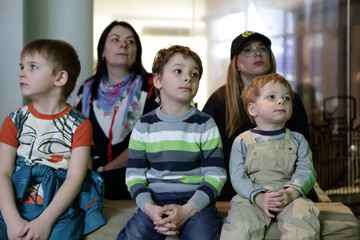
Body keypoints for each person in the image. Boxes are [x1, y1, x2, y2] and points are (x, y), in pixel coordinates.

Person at [117, 45, 227, 240]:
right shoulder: (144, 126)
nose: (188, 78)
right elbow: (134, 175)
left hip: (196, 200)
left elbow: (215, 175)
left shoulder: (205, 124)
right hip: (154, 199)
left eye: (195, 74)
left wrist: (189, 209)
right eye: (178, 71)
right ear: (157, 80)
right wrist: (149, 208)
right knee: (133, 236)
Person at [0, 39, 105, 240]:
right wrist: (12, 219)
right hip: (16, 198)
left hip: (58, 206)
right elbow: (3, 172)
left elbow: (75, 178)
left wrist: (45, 221)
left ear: (60, 78)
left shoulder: (80, 124)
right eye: (21, 67)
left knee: (66, 231)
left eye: (32, 67)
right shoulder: (13, 120)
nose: (21, 73)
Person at [202, 31, 313, 201]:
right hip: (234, 189)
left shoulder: (291, 100)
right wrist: (255, 194)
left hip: (286, 189)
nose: (257, 53)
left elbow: (304, 154)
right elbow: (209, 158)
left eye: (263, 49)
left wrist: (288, 192)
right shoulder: (219, 101)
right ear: (236, 64)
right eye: (247, 50)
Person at [220, 73, 320, 239]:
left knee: (304, 217)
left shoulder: (297, 139)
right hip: (252, 197)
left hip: (288, 194)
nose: (281, 101)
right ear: (253, 109)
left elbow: (307, 171)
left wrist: (291, 193)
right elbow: (237, 177)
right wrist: (258, 197)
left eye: (286, 98)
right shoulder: (243, 141)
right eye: (271, 97)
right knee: (241, 225)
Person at [76, 21, 159, 199]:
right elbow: (78, 137)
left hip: (136, 173)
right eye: (115, 40)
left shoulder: (153, 87)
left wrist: (104, 171)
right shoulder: (86, 89)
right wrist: (87, 172)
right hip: (91, 174)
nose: (123, 44)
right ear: (103, 52)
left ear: (137, 52)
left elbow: (149, 139)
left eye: (130, 42)